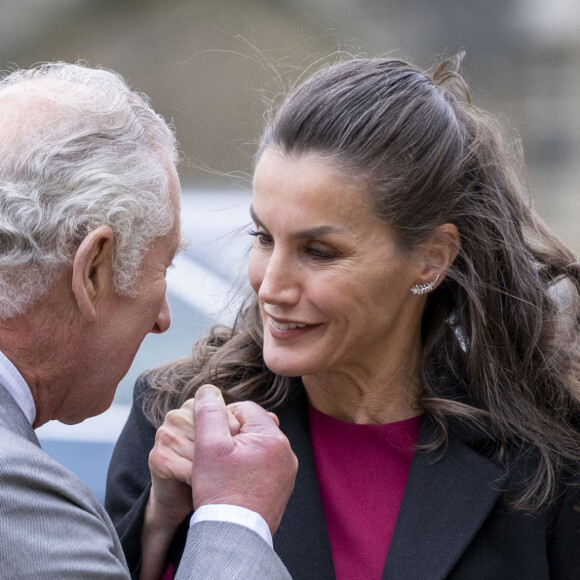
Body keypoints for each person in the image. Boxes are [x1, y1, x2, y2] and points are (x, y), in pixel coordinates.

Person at [106, 53, 580, 579]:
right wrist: (159, 518)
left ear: (431, 257)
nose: (272, 285)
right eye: (264, 237)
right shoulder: (173, 422)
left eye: (319, 252)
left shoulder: (545, 460)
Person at [0, 62, 296, 579]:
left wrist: (157, 528)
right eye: (164, 266)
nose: (164, 320)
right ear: (94, 269)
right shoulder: (23, 504)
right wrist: (234, 515)